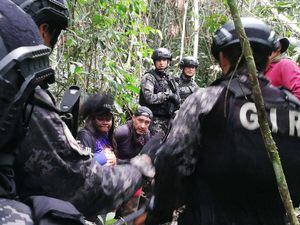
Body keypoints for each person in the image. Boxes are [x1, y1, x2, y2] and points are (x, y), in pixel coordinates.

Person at [0, 1, 155, 224]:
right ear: (43, 30)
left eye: (108, 118)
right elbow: (83, 186)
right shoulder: (23, 92)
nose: (106, 122)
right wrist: (139, 167)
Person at [146, 17, 300, 225]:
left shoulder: (207, 100)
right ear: (268, 57)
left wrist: (158, 214)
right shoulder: (292, 107)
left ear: (222, 57)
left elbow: (171, 161)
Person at [114, 106, 153, 225]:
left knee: (129, 216)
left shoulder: (146, 135)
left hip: (133, 179)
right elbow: (107, 155)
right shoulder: (121, 132)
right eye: (140, 120)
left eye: (147, 122)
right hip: (114, 176)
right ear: (133, 118)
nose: (143, 125)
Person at [139, 47, 180, 136]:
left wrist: (175, 99)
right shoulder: (149, 77)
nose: (161, 63)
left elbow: (177, 100)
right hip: (154, 119)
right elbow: (149, 98)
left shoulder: (169, 78)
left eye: (164, 60)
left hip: (168, 119)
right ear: (155, 62)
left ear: (168, 62)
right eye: (159, 60)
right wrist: (167, 95)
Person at [77, 92, 117, 167]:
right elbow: (82, 165)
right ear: (92, 119)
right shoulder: (84, 136)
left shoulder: (107, 135)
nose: (105, 122)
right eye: (100, 119)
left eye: (108, 119)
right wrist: (104, 158)